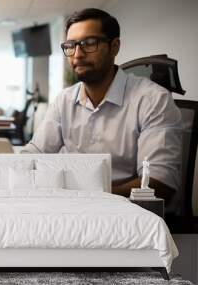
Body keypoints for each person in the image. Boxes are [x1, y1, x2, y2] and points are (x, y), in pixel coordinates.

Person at [22, 8, 182, 207]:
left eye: (89, 43)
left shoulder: (153, 100)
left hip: (132, 217)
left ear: (114, 47)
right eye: (70, 45)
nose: (77, 54)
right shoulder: (64, 100)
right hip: (72, 210)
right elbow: (34, 154)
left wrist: (85, 197)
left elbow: (159, 184)